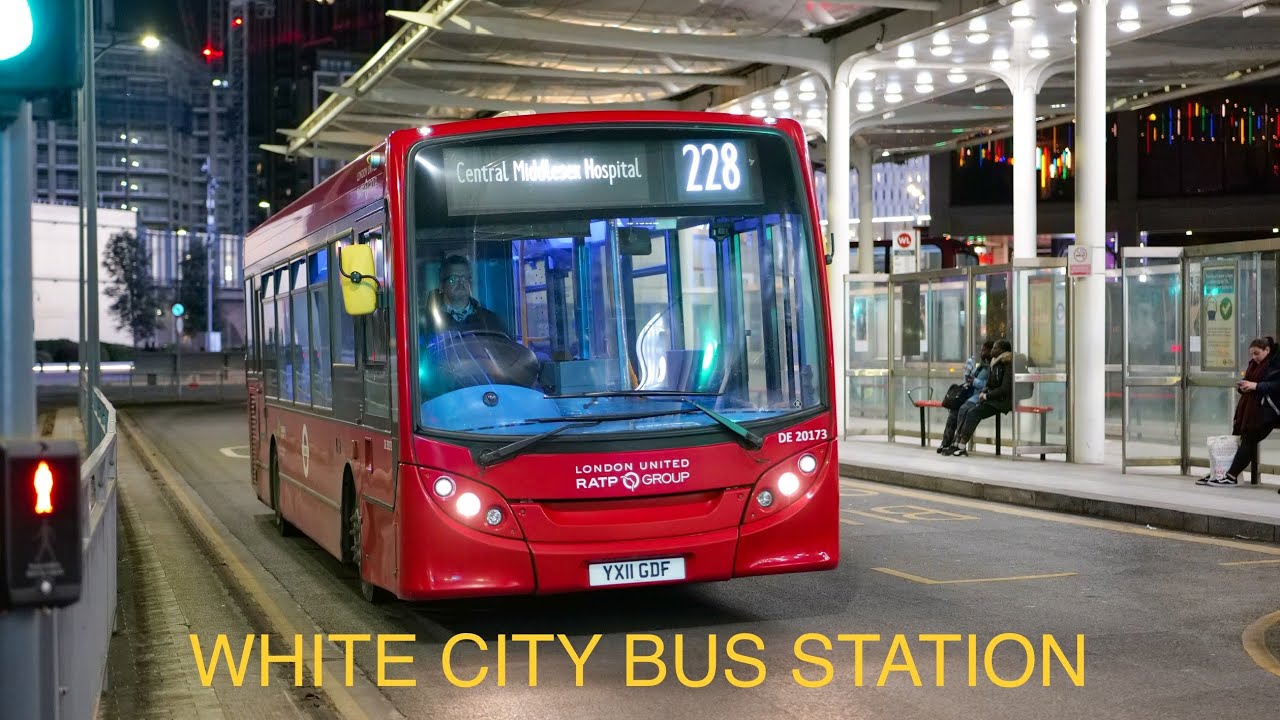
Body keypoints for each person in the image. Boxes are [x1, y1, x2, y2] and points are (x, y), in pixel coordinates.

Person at [1197, 336, 1280, 488]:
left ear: (1267, 350)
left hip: (1266, 411)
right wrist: (1243, 387)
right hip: (1248, 410)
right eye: (1252, 354)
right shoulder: (1253, 364)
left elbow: (1276, 385)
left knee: (1249, 440)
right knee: (1237, 438)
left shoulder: (1274, 364)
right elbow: (1249, 381)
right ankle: (1220, 472)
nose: (1254, 357)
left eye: (1257, 353)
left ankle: (1231, 476)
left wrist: (1256, 386)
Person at [945, 338, 1014, 456]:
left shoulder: (1007, 364)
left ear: (1003, 350)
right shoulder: (995, 363)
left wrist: (986, 396)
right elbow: (990, 383)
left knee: (972, 412)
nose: (992, 350)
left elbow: (1004, 389)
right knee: (967, 410)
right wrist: (984, 392)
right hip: (992, 398)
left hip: (1002, 401)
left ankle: (961, 445)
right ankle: (956, 443)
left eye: (995, 348)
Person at [421, 255, 507, 339]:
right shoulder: (428, 321)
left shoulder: (489, 320)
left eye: (465, 278)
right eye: (453, 279)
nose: (461, 283)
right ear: (441, 286)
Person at [938, 339, 994, 454]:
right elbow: (971, 379)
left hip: (979, 396)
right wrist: (968, 374)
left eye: (984, 350)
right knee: (954, 412)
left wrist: (974, 381)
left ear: (990, 351)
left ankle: (956, 442)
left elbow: (988, 385)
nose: (981, 352)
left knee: (964, 410)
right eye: (981, 350)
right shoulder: (981, 365)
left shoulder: (992, 367)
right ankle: (946, 442)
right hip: (970, 394)